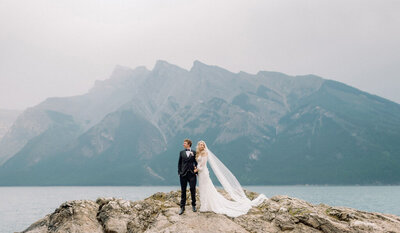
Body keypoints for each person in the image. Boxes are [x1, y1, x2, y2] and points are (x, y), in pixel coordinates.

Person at [195, 140, 268, 217]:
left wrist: (196, 169)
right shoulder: (199, 153)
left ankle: (206, 206)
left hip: (203, 172)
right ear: (198, 145)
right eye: (200, 145)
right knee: (203, 188)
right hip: (200, 173)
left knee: (206, 187)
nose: (202, 146)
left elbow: (202, 165)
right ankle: (205, 204)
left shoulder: (205, 153)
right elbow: (199, 164)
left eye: (203, 145)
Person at [177, 138, 198, 215]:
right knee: (183, 190)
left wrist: (196, 170)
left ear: (189, 144)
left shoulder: (194, 152)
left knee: (193, 189)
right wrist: (179, 172)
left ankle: (194, 205)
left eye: (185, 143)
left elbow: (197, 162)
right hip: (183, 174)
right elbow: (179, 163)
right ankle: (182, 207)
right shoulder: (181, 152)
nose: (183, 144)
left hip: (192, 174)